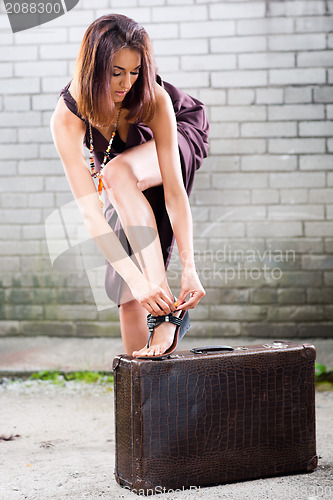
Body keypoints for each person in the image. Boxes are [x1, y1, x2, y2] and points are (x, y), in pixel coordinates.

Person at [50, 14, 209, 359]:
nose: (126, 84)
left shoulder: (152, 98)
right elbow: (91, 215)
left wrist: (190, 267)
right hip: (119, 161)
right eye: (115, 73)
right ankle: (142, 394)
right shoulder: (66, 116)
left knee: (118, 172)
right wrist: (138, 284)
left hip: (179, 133)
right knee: (125, 287)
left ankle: (166, 309)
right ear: (93, 68)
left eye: (135, 71)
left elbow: (174, 194)